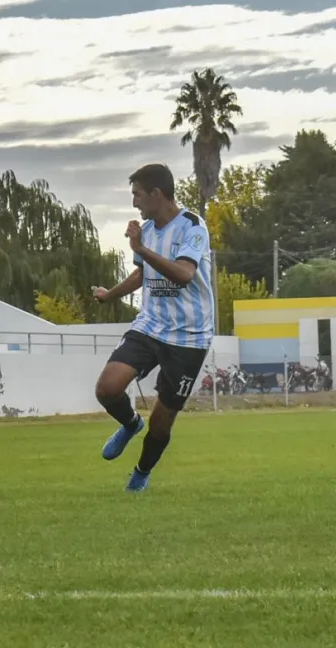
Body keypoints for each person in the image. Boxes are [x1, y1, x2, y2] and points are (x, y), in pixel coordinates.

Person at [91, 163, 214, 493]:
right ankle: (130, 424)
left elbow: (184, 274)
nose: (135, 203)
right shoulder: (146, 230)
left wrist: (141, 249)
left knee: (163, 420)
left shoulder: (192, 226)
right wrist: (109, 295)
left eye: (137, 195)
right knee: (107, 389)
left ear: (157, 194)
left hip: (190, 335)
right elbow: (141, 274)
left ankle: (141, 474)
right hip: (151, 325)